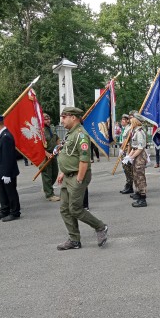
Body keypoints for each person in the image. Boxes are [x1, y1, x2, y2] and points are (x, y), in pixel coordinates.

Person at [56, 107, 108, 250]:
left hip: (77, 176)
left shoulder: (81, 135)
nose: (62, 120)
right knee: (65, 209)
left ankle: (100, 227)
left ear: (74, 117)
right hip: (68, 176)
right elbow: (68, 155)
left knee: (75, 209)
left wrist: (79, 179)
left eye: (64, 116)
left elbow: (84, 159)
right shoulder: (70, 134)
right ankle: (74, 240)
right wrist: (63, 172)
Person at [0, 114, 21, 222]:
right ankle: (4, 211)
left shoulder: (6, 136)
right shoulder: (0, 135)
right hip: (1, 170)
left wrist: (7, 174)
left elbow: (8, 157)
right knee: (2, 192)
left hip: (8, 171)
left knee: (11, 193)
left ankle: (15, 212)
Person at [124, 115, 148, 207]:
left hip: (140, 156)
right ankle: (138, 193)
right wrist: (128, 156)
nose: (130, 121)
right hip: (136, 155)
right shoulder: (135, 131)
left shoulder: (140, 132)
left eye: (131, 119)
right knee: (135, 175)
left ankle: (143, 198)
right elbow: (134, 146)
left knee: (140, 177)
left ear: (136, 121)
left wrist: (131, 157)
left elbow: (140, 148)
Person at [41, 113, 60, 201]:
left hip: (53, 154)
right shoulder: (40, 130)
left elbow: (56, 138)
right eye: (46, 119)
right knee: (47, 175)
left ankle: (47, 187)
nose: (48, 121)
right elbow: (38, 146)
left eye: (49, 119)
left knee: (55, 173)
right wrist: (46, 154)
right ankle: (49, 195)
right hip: (45, 156)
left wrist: (59, 146)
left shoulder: (52, 128)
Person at [119, 114, 134, 194]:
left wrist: (127, 153)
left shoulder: (129, 129)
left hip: (127, 150)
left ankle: (130, 185)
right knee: (125, 169)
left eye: (124, 120)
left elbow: (128, 142)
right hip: (123, 149)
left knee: (128, 169)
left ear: (128, 121)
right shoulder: (124, 129)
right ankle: (128, 184)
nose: (122, 121)